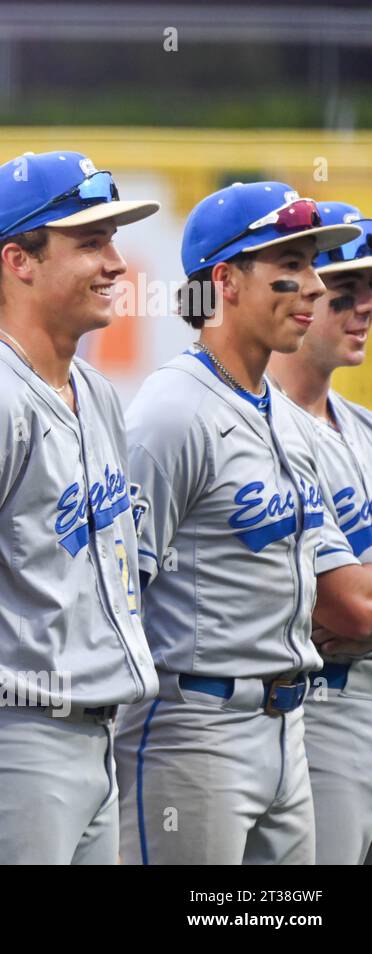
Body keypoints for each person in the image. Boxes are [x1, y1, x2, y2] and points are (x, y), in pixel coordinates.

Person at [0, 151, 160, 864]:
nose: (115, 262)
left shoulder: (96, 391)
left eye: (112, 240)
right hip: (2, 745)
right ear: (19, 261)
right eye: (90, 242)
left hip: (89, 744)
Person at [118, 182, 363, 864]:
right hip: (195, 729)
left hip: (286, 729)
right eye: (293, 261)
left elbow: (336, 581)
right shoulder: (170, 412)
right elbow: (116, 595)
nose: (314, 287)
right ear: (225, 279)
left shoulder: (283, 417)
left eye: (316, 263)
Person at [266, 201, 372, 865]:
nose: (363, 310)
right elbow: (349, 609)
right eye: (346, 294)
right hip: (315, 708)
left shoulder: (361, 425)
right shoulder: (259, 426)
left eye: (371, 294)